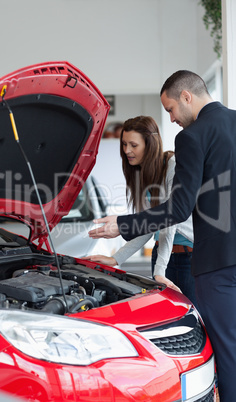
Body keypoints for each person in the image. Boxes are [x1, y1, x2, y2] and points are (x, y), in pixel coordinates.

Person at [89, 70, 236, 402]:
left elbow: (179, 209)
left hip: (217, 265)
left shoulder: (192, 137)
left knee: (226, 353)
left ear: (186, 96)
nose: (170, 119)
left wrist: (122, 224)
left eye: (170, 109)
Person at [84, 115, 196, 304]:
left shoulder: (172, 166)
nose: (127, 150)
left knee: (195, 320)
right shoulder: (142, 174)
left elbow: (169, 222)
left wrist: (159, 271)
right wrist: (115, 259)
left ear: (150, 144)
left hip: (188, 258)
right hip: (161, 255)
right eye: (124, 144)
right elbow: (149, 226)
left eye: (133, 145)